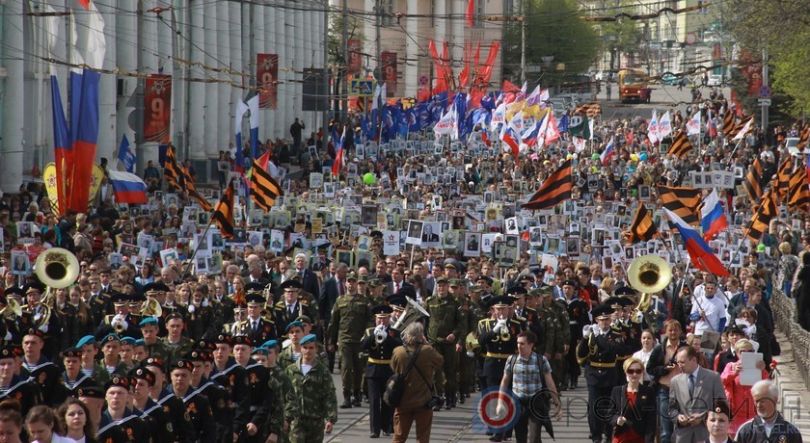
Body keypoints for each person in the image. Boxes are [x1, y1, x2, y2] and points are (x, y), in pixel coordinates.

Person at [498, 330, 559, 443]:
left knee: (534, 438)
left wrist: (557, 404)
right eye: (517, 343)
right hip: (518, 404)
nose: (519, 346)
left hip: (536, 403)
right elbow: (505, 381)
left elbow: (550, 383)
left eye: (522, 343)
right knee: (520, 438)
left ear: (531, 345)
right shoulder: (511, 360)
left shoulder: (541, 360)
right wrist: (500, 402)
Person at [390, 322, 443, 443]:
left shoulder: (398, 352)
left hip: (403, 400)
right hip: (423, 401)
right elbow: (440, 361)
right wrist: (427, 344)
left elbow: (393, 368)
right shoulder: (428, 351)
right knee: (422, 438)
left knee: (399, 437)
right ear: (421, 336)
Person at [284, 333, 337, 443]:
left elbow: (329, 395)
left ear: (316, 349)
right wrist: (285, 418)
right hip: (296, 420)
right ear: (301, 349)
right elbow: (284, 395)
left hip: (316, 420)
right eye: (305, 347)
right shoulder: (291, 370)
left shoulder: (322, 371)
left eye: (311, 348)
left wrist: (330, 419)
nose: (308, 351)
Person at [667, 346, 727, 443]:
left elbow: (722, 405)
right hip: (683, 435)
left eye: (682, 362)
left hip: (705, 433)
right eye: (678, 362)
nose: (679, 365)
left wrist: (704, 417)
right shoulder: (675, 381)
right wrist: (678, 417)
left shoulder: (713, 377)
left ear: (694, 360)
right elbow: (671, 409)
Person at [361, 305, 401, 438]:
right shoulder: (369, 331)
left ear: (389, 318)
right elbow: (363, 346)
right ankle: (374, 429)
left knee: (387, 399)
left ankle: (387, 426)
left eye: (384, 319)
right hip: (373, 370)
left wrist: (387, 337)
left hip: (388, 370)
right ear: (375, 319)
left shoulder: (395, 332)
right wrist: (374, 335)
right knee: (374, 400)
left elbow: (399, 346)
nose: (381, 322)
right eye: (379, 319)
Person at [720, 338, 769, 437]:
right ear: (737, 353)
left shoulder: (758, 366)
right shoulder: (731, 366)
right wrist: (734, 373)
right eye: (743, 351)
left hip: (753, 410)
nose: (746, 353)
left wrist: (763, 371)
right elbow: (722, 381)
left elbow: (766, 386)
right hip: (735, 411)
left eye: (750, 351)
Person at [735, 379, 803, 442]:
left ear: (775, 400)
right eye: (756, 401)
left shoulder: (792, 432)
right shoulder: (745, 430)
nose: (758, 405)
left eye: (762, 401)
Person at [608, 357, 656, 443]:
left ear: (642, 373)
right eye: (630, 371)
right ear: (625, 372)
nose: (634, 374)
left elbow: (651, 421)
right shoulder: (617, 391)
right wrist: (617, 420)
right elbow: (610, 414)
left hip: (639, 438)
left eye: (638, 371)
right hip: (620, 437)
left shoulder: (649, 392)